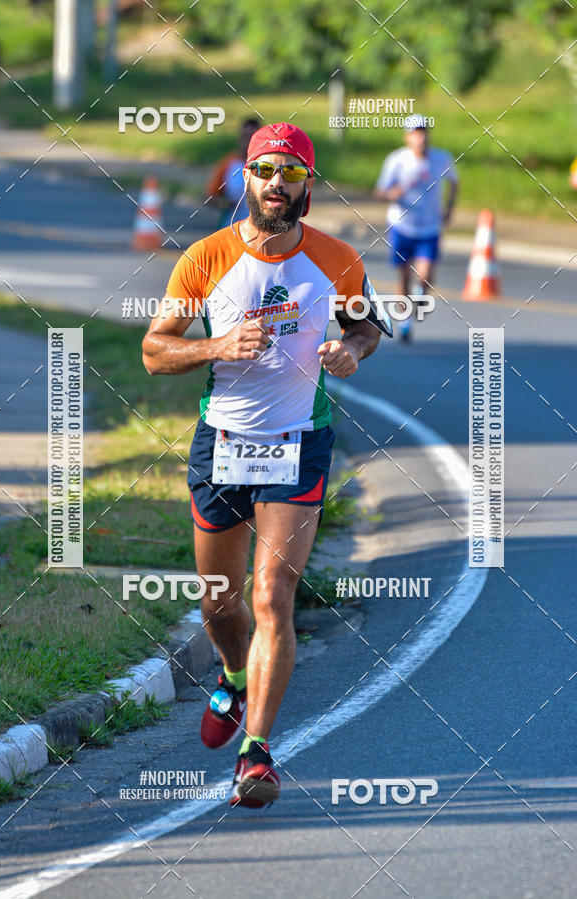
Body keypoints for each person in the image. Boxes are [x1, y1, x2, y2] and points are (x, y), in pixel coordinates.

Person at [143, 122, 392, 809]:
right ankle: (230, 673)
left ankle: (256, 753)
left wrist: (354, 350)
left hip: (297, 443)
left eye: (291, 173)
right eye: (265, 170)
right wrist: (217, 345)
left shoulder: (338, 259)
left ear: (308, 186)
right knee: (221, 603)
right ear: (244, 179)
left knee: (270, 598)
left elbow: (366, 325)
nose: (277, 184)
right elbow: (154, 349)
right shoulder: (204, 257)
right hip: (221, 443)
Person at [375, 115, 458, 341]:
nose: (420, 137)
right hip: (402, 225)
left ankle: (421, 294)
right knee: (403, 275)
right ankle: (405, 322)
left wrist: (449, 208)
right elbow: (380, 191)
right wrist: (393, 194)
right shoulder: (397, 160)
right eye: (415, 133)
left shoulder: (441, 159)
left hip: (429, 227)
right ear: (407, 137)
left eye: (423, 132)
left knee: (426, 275)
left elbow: (454, 181)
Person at [205, 118, 260, 228]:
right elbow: (209, 197)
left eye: (252, 136)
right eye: (245, 136)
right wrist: (226, 204)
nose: (248, 140)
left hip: (260, 231)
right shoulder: (229, 163)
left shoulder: (267, 165)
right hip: (230, 229)